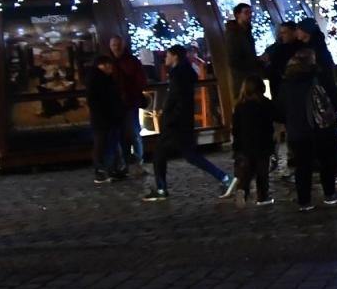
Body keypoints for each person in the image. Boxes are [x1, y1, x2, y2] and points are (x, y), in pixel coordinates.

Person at [143, 45, 235, 202]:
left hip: (175, 124)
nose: (165, 58)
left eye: (168, 55)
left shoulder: (178, 76)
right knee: (189, 155)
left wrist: (169, 118)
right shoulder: (183, 74)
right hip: (181, 123)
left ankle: (161, 189)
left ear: (175, 57)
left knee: (160, 154)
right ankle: (224, 178)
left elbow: (179, 101)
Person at [278, 47, 337, 210]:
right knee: (326, 162)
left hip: (296, 131)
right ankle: (329, 193)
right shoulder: (317, 78)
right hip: (318, 129)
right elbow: (333, 99)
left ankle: (304, 201)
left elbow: (279, 110)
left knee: (302, 167)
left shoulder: (286, 83)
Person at [294, 18, 337, 180]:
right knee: (323, 136)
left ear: (306, 32)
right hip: (319, 98)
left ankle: (336, 167)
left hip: (322, 99)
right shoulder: (310, 47)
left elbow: (325, 77)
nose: (297, 32)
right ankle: (329, 167)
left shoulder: (317, 50)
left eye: (299, 29)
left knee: (328, 135)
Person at [231, 76, 275, 206]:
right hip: (262, 143)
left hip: (245, 144)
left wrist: (236, 146)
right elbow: (270, 124)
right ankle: (262, 197)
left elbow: (236, 128)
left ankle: (242, 190)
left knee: (246, 171)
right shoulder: (265, 103)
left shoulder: (239, 106)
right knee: (262, 172)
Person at [86, 54, 127, 184]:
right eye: (108, 65)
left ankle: (112, 169)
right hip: (103, 119)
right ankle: (101, 171)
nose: (111, 68)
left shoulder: (105, 78)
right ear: (102, 65)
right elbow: (96, 101)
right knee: (102, 145)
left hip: (109, 117)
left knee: (110, 144)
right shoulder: (97, 79)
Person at [264, 22, 299, 172]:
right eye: (281, 32)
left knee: (291, 127)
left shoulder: (297, 49)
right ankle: (273, 156)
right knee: (276, 129)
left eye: (285, 32)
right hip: (277, 94)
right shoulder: (276, 50)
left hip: (290, 94)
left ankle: (292, 155)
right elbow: (269, 73)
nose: (282, 35)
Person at [108, 35, 148, 167]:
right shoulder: (112, 62)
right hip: (117, 104)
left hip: (130, 102)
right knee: (124, 134)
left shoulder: (131, 61)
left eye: (118, 45)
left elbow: (141, 81)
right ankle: (128, 159)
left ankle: (137, 160)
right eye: (114, 45)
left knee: (133, 133)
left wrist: (132, 93)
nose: (116, 47)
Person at [225, 3, 263, 95]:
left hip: (249, 79)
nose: (250, 15)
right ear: (238, 15)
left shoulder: (246, 32)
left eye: (250, 12)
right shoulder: (233, 34)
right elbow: (233, 59)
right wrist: (253, 63)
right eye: (246, 13)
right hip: (243, 80)